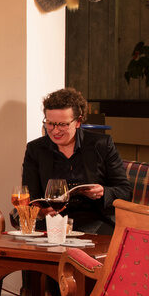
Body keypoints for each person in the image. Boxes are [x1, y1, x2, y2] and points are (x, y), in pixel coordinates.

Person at [20, 87, 130, 235]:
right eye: (50, 123)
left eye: (63, 124)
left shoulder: (102, 144)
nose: (55, 130)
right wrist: (41, 211)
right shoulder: (35, 149)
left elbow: (125, 191)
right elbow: (30, 195)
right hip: (52, 221)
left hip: (95, 220)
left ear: (78, 122)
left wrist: (103, 192)